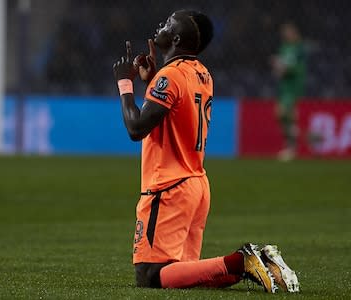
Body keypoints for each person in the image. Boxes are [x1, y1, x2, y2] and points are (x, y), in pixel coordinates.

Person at [112, 10, 299, 292]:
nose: (160, 25)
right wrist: (153, 80)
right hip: (195, 184)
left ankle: (241, 261)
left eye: (168, 23)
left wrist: (124, 83)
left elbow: (136, 128)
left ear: (175, 38)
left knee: (149, 275)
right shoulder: (201, 74)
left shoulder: (171, 76)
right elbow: (173, 114)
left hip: (169, 186)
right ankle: (255, 263)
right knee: (185, 277)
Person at [271, 23, 306, 161]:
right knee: (282, 115)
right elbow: (280, 69)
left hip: (293, 85)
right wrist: (277, 66)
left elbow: (298, 67)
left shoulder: (299, 48)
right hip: (284, 85)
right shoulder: (283, 47)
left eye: (289, 32)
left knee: (283, 113)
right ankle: (292, 142)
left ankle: (291, 146)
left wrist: (284, 67)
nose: (286, 35)